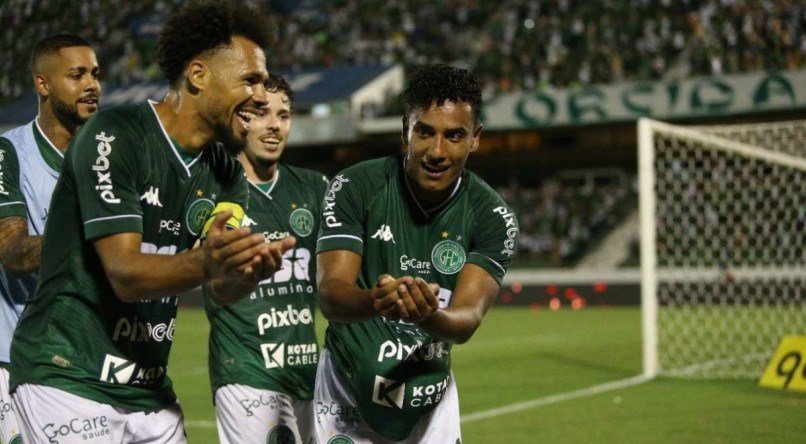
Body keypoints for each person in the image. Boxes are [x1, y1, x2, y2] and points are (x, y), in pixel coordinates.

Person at [9, 2, 294, 442]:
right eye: (250, 80)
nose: (261, 95)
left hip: (147, 387)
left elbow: (220, 286)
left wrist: (246, 271)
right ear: (198, 76)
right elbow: (125, 272)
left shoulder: (226, 173)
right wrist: (208, 262)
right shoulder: (113, 135)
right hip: (66, 375)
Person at [314, 64, 520, 443]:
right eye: (424, 132)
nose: (437, 151)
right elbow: (331, 296)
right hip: (347, 395)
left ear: (475, 139)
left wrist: (428, 315)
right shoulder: (356, 187)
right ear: (404, 131)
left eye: (454, 136)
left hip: (429, 399)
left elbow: (467, 319)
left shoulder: (493, 217)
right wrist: (379, 300)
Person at [205, 73, 328, 444]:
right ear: (240, 120)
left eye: (284, 115)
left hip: (308, 371)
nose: (274, 125)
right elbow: (212, 283)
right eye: (261, 113)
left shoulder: (314, 188)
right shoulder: (213, 189)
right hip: (246, 373)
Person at [0, 33, 101, 444]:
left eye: (95, 74)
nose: (91, 84)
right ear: (43, 85)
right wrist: (100, 234)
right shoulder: (9, 154)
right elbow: (13, 252)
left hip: (89, 361)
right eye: (76, 75)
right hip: (16, 364)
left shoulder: (110, 155)